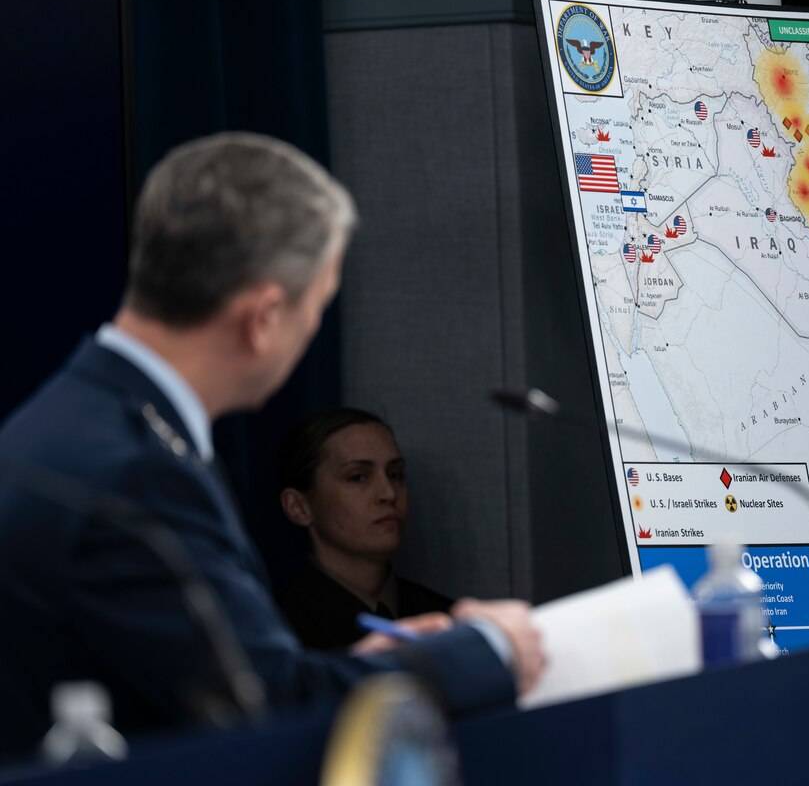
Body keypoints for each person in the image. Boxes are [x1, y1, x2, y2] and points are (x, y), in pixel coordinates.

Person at [0, 132, 542, 759]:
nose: (311, 331)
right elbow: (268, 714)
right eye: (316, 308)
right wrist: (486, 651)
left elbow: (175, 681)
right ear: (263, 320)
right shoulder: (139, 469)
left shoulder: (71, 417)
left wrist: (365, 668)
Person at [276, 407, 452, 649]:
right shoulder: (276, 633)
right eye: (358, 477)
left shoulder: (446, 620)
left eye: (395, 474)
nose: (389, 493)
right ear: (299, 507)